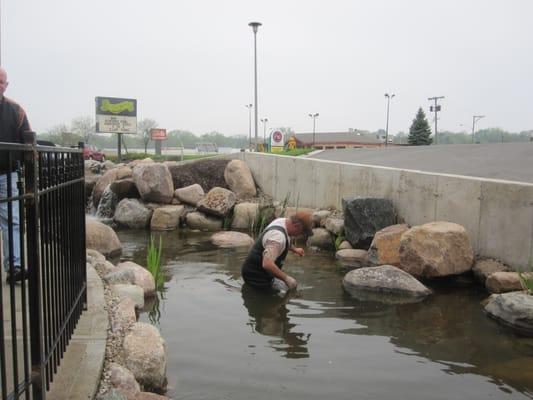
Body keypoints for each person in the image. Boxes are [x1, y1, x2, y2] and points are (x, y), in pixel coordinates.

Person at [0, 67, 30, 283]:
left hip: (7, 175)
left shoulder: (16, 111)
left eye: (2, 82)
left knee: (13, 221)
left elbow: (27, 144)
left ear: (6, 85)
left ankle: (15, 267)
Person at [241, 210, 313, 291]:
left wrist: (294, 249)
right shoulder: (278, 237)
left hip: (255, 271)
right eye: (301, 233)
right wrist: (287, 279)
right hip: (255, 276)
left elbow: (284, 240)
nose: (299, 235)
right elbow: (267, 264)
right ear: (296, 226)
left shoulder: (282, 222)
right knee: (271, 300)